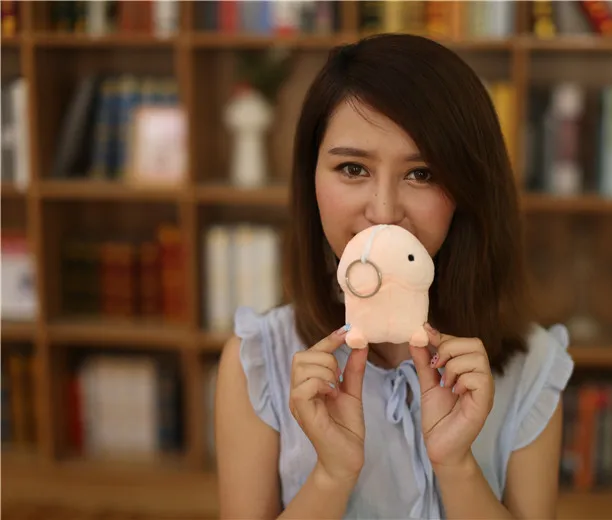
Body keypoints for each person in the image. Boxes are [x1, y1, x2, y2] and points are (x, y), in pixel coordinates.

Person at [215, 33, 574, 520]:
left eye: (421, 174)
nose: (383, 212)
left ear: (467, 190)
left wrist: (457, 465)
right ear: (310, 179)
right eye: (352, 168)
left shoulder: (533, 367)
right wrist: (332, 474)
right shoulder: (257, 362)